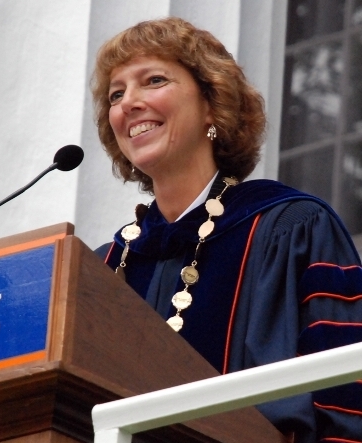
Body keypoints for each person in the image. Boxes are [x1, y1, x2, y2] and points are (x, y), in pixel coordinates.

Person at [92, 17, 362, 443]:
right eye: (117, 94)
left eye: (154, 80)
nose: (129, 103)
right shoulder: (102, 269)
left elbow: (347, 399)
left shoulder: (290, 228)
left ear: (212, 105)